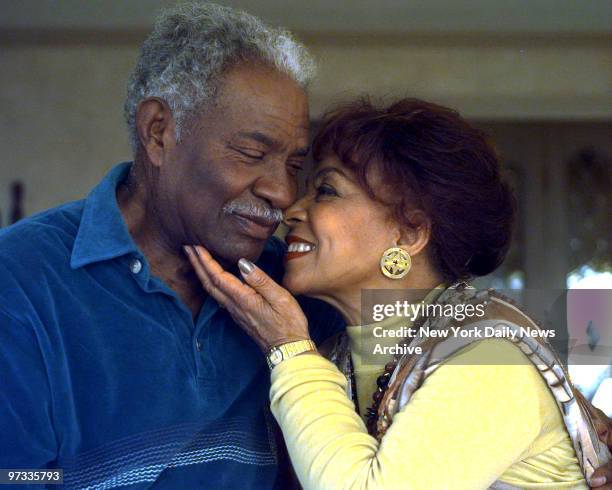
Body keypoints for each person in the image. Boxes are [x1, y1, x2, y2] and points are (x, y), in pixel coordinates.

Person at [186, 97, 612, 489]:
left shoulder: (490, 360)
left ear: (408, 234)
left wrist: (287, 348)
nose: (292, 210)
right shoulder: (340, 355)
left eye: (327, 190)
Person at [0, 3, 343, 489]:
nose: (282, 194)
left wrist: (485, 327)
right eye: (251, 153)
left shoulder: (290, 288)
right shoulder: (19, 280)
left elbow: (419, 343)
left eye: (293, 164)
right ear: (158, 131)